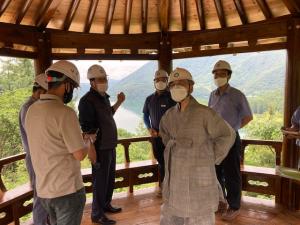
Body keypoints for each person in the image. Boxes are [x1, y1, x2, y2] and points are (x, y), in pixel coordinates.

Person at [159, 67, 236, 225]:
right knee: (173, 213)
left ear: (191, 87)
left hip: (198, 172)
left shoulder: (205, 113)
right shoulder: (169, 115)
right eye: (173, 84)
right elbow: (164, 134)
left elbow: (228, 135)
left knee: (199, 215)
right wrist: (174, 148)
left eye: (181, 83)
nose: (177, 87)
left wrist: (210, 157)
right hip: (175, 173)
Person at [25, 60, 96, 225]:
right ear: (66, 86)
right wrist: (87, 141)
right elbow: (79, 154)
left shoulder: (31, 110)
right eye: (74, 87)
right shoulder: (65, 113)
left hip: (44, 191)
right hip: (67, 191)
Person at [78, 65, 125, 225]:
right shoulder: (86, 101)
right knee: (100, 180)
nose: (104, 82)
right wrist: (92, 152)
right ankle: (96, 214)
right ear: (91, 82)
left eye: (105, 79)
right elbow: (87, 130)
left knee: (109, 179)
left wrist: (119, 102)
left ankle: (105, 205)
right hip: (99, 148)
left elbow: (108, 114)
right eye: (100, 79)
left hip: (110, 146)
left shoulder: (103, 97)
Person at [208, 60, 253, 221]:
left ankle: (234, 206)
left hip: (231, 139)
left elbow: (248, 116)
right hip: (214, 140)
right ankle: (221, 201)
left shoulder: (237, 95)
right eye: (216, 74)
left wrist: (233, 129)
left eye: (222, 73)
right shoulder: (212, 95)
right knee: (215, 172)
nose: (218, 76)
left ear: (228, 75)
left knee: (232, 173)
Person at [19, 73, 48, 225]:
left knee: (46, 194)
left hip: (42, 158)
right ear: (39, 91)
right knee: (41, 195)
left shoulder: (35, 106)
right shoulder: (28, 108)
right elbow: (35, 136)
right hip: (35, 159)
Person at [143, 69, 176, 192]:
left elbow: (177, 117)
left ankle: (172, 188)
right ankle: (164, 188)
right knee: (161, 162)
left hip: (170, 137)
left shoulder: (173, 97)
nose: (160, 82)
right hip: (156, 137)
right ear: (154, 82)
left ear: (167, 81)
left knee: (172, 162)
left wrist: (167, 131)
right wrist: (149, 128)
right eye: (157, 80)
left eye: (163, 80)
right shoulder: (149, 99)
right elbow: (145, 116)